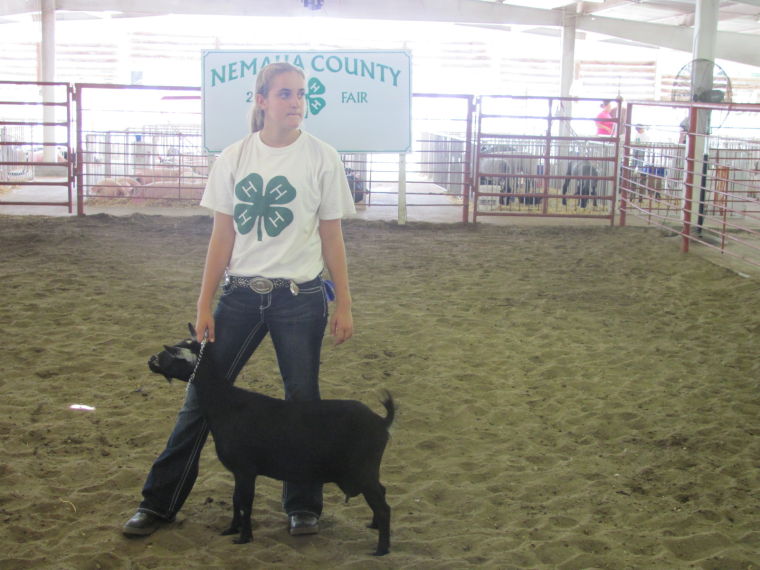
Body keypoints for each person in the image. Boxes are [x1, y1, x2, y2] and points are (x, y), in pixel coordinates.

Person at [122, 62, 356, 538]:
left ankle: (303, 505)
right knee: (199, 398)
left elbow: (332, 236)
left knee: (302, 399)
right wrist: (204, 303)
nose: (296, 102)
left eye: (301, 94)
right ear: (262, 100)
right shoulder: (234, 157)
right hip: (241, 296)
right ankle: (159, 503)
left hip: (301, 297)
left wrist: (345, 303)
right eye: (285, 94)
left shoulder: (322, 156)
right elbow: (220, 237)